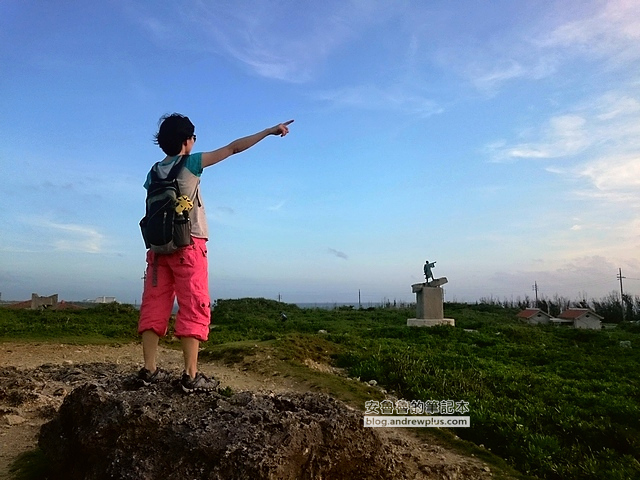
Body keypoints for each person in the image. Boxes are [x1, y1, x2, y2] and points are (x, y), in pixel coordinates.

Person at [138, 113, 293, 393]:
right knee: (193, 304)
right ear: (187, 141)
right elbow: (234, 148)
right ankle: (190, 375)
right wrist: (269, 130)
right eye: (193, 138)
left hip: (158, 251)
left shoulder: (153, 172)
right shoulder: (192, 163)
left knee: (154, 304)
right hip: (189, 245)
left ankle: (149, 370)